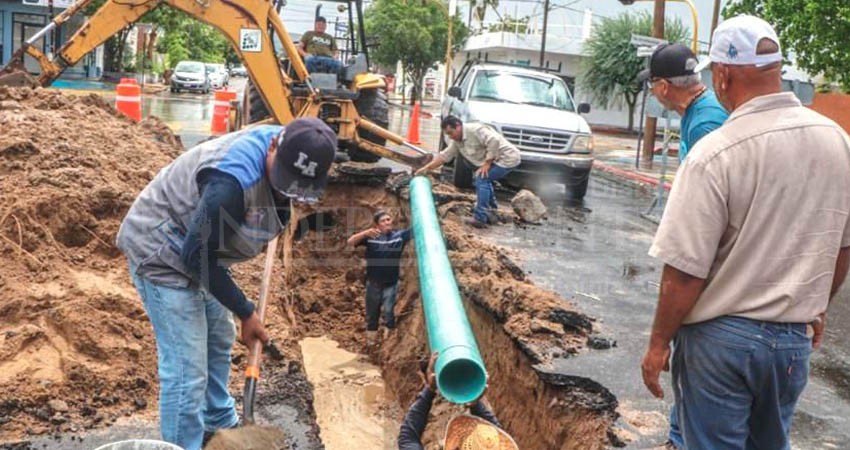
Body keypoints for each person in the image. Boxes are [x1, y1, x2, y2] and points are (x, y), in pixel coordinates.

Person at [641, 15, 850, 450]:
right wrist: (816, 309)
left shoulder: (715, 152)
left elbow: (684, 271)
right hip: (791, 345)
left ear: (721, 74)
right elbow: (841, 247)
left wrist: (658, 343)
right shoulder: (837, 142)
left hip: (722, 343)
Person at [116, 118, 337, 450]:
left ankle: (217, 421)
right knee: (186, 371)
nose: (286, 191)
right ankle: (183, 445)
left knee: (220, 336)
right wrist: (247, 311)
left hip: (202, 250)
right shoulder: (230, 182)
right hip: (162, 248)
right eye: (284, 180)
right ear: (274, 146)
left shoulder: (289, 148)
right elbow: (196, 256)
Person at [638, 42, 729, 449]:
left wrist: (660, 339)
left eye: (652, 85)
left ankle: (681, 439)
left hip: (708, 268)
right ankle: (679, 437)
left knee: (694, 357)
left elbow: (713, 213)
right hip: (709, 261)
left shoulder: (706, 122)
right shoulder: (700, 113)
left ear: (661, 87)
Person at [415, 116, 521, 228]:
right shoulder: (457, 141)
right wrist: (426, 168)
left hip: (507, 158)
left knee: (482, 179)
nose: (450, 137)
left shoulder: (475, 130)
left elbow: (493, 140)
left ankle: (480, 218)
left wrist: (487, 162)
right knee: (484, 178)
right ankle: (492, 211)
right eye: (448, 134)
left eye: (451, 133)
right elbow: (445, 156)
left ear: (458, 126)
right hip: (497, 159)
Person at [398, 353, 518, 450]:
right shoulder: (489, 439)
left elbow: (408, 436)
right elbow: (494, 433)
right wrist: (476, 405)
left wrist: (429, 389)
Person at [638, 43, 729, 163]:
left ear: (663, 87)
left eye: (651, 84)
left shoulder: (703, 126)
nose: (651, 90)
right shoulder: (699, 110)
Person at [347, 210, 412, 344]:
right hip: (373, 283)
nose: (387, 222)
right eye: (383, 220)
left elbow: (417, 229)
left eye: (389, 219)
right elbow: (350, 242)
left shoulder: (399, 236)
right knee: (372, 313)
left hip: (391, 283)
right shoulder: (371, 237)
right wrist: (365, 233)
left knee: (389, 311)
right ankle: (371, 342)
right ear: (376, 225)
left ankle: (388, 341)